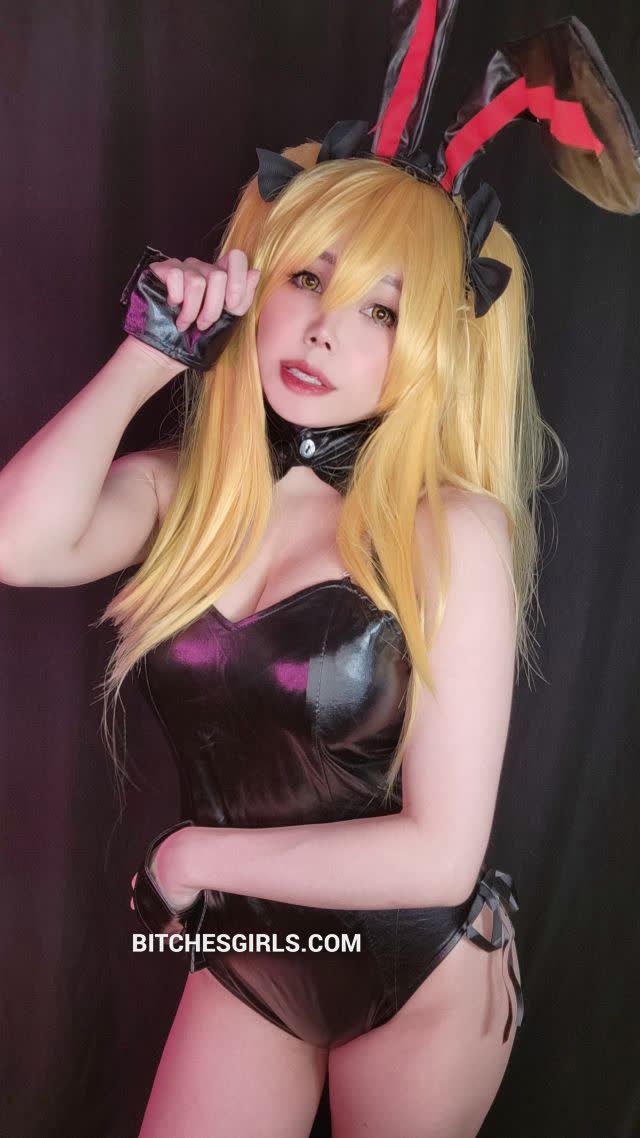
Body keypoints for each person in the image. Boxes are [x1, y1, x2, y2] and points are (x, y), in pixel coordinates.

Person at [1, 138, 554, 1138]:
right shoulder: (187, 493)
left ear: (433, 343)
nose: (324, 332)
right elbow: (16, 543)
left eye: (382, 310)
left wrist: (192, 858)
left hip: (416, 968)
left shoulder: (450, 529)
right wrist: (149, 354)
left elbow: (438, 855)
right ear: (254, 281)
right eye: (307, 279)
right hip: (257, 956)